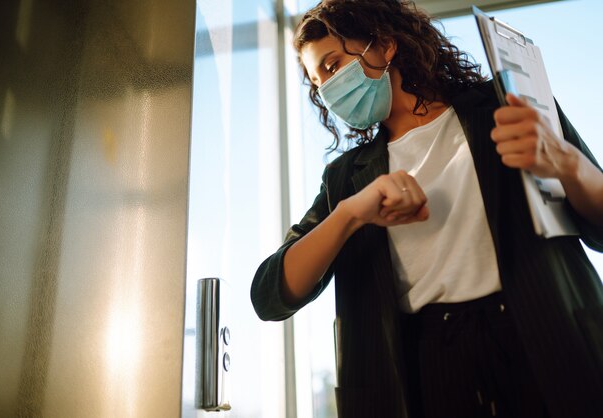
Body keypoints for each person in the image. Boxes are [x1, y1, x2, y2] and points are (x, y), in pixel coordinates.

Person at [250, 1, 603, 417]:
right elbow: (269, 297)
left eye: (332, 65)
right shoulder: (346, 179)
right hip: (427, 370)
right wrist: (349, 215)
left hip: (544, 337)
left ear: (384, 46)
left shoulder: (505, 107)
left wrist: (569, 164)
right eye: (316, 81)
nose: (327, 90)